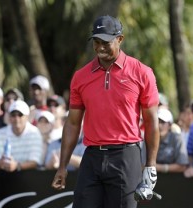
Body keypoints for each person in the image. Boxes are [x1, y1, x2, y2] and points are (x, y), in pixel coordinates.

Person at [51, 15, 160, 208]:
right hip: (92, 156)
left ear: (120, 39)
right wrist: (62, 166)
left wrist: (150, 166)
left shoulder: (142, 72)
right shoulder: (80, 77)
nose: (100, 47)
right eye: (96, 42)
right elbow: (73, 123)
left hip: (126, 156)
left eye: (106, 42)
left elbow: (151, 122)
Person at [0, 100, 43, 172]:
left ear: (27, 116)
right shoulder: (1, 133)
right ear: (9, 117)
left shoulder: (34, 133)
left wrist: (16, 166)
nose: (16, 118)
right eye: (13, 115)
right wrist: (1, 163)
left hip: (29, 176)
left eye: (20, 115)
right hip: (5, 176)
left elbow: (35, 162)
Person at [155, 108, 188, 173]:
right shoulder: (147, 138)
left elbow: (182, 166)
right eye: (157, 122)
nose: (159, 125)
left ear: (170, 125)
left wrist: (158, 168)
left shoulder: (177, 138)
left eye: (163, 122)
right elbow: (142, 166)